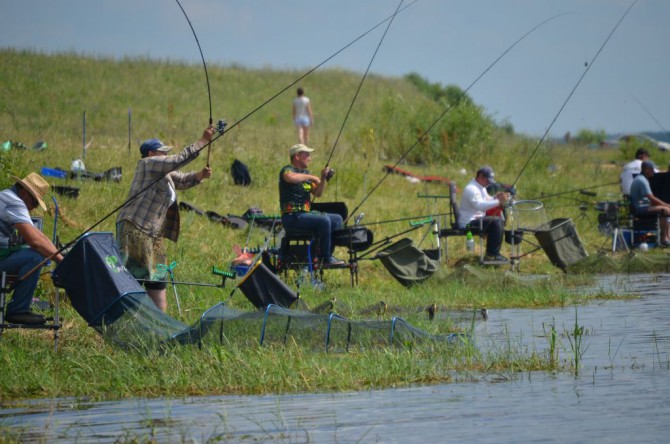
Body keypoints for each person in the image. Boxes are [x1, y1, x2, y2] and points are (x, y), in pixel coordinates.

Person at [116, 126, 215, 311]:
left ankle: (160, 324)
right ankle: (125, 318)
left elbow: (183, 179)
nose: (165, 155)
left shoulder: (164, 173)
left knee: (158, 278)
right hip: (135, 227)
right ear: (152, 153)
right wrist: (203, 141)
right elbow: (177, 161)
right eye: (163, 152)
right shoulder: (148, 164)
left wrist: (200, 175)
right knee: (133, 277)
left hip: (154, 234)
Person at [0, 173, 64, 324]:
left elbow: (40, 237)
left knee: (35, 252)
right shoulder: (14, 202)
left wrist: (59, 255)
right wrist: (61, 260)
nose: (34, 207)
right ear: (23, 192)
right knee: (35, 257)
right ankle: (18, 310)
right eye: (35, 201)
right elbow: (35, 241)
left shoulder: (6, 196)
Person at [279, 143, 343, 266]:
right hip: (292, 217)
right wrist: (313, 177)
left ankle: (323, 252)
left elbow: (318, 193)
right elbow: (290, 178)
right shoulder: (287, 170)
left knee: (337, 219)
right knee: (324, 221)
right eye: (307, 154)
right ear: (297, 156)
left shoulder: (305, 175)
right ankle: (326, 258)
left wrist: (323, 178)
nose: (310, 158)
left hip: (304, 216)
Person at [457, 166, 511, 262]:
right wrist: (499, 202)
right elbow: (480, 205)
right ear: (481, 176)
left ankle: (492, 254)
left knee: (498, 221)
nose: (489, 183)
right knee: (497, 221)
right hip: (468, 223)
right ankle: (492, 255)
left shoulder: (481, 187)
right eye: (488, 180)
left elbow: (487, 200)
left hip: (478, 220)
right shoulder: (471, 189)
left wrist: (496, 197)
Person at [629, 160, 670, 246]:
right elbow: (652, 198)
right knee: (665, 210)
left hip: (643, 206)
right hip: (639, 208)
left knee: (665, 209)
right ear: (646, 169)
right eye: (652, 169)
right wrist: (666, 204)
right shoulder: (642, 181)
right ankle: (664, 238)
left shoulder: (643, 179)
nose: (654, 171)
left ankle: (667, 236)